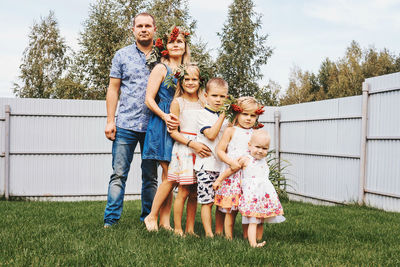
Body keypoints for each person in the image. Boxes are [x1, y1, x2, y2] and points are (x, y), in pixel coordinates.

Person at [143, 27, 210, 231]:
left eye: (179, 41)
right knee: (168, 175)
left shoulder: (189, 70)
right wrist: (165, 117)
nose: (175, 45)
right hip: (165, 121)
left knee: (174, 176)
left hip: (185, 122)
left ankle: (164, 221)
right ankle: (153, 217)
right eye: (171, 42)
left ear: (185, 46)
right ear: (165, 47)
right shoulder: (161, 68)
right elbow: (148, 99)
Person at [103, 13, 158, 228]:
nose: (143, 29)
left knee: (150, 177)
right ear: (133, 29)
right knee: (118, 175)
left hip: (154, 126)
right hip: (126, 124)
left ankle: (148, 219)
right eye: (139, 26)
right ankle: (111, 221)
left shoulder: (162, 57)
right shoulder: (122, 55)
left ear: (154, 29)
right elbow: (113, 89)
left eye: (147, 26)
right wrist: (110, 120)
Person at [213, 129, 285, 247]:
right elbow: (230, 170)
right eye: (257, 147)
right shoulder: (246, 159)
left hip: (263, 195)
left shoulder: (264, 160)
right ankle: (253, 243)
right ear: (249, 146)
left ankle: (258, 238)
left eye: (264, 148)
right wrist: (218, 180)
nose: (260, 151)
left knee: (262, 218)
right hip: (252, 196)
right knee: (253, 220)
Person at [214, 96, 262, 239]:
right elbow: (220, 150)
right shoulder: (231, 130)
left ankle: (248, 235)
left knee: (247, 206)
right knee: (230, 208)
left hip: (248, 175)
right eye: (245, 114)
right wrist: (230, 161)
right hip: (232, 173)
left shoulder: (255, 133)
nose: (248, 118)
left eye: (252, 115)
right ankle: (227, 236)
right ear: (237, 113)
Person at [167, 64, 206, 236]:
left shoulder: (204, 101)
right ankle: (177, 228)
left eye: (194, 79)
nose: (190, 82)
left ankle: (190, 229)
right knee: (183, 190)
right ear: (181, 82)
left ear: (200, 81)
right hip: (185, 148)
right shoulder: (178, 102)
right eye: (186, 79)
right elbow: (173, 131)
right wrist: (191, 144)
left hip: (201, 149)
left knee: (195, 192)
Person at [193, 78, 229, 237]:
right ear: (206, 95)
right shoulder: (202, 115)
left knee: (221, 203)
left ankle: (220, 232)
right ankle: (209, 233)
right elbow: (212, 135)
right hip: (206, 166)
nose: (218, 100)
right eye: (214, 96)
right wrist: (222, 117)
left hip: (222, 167)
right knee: (207, 202)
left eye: (222, 97)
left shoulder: (228, 118)